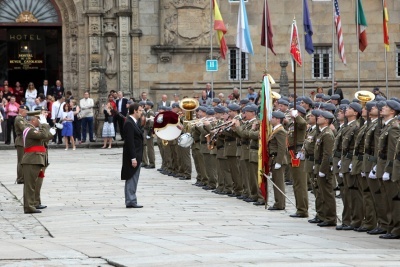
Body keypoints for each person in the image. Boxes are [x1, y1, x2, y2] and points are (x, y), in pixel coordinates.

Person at [21, 110, 55, 214]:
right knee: (30, 185)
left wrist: (51, 132)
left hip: (35, 159)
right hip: (31, 160)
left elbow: (43, 138)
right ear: (34, 120)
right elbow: (42, 135)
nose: (40, 122)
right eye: (39, 120)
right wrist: (45, 124)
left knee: (33, 184)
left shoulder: (33, 129)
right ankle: (29, 206)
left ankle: (32, 204)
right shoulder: (30, 130)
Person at [121, 103, 144, 208]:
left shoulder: (134, 122)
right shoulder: (129, 123)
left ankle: (131, 199)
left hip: (137, 154)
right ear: (134, 111)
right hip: (133, 156)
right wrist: (133, 158)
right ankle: (131, 200)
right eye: (139, 110)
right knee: (131, 177)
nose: (141, 112)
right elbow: (130, 142)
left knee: (133, 178)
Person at [14, 104, 30, 184]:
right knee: (21, 160)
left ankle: (23, 176)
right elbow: (24, 128)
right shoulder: (19, 118)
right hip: (20, 140)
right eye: (25, 111)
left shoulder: (23, 119)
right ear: (21, 110)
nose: (26, 113)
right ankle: (20, 178)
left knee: (24, 160)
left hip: (24, 140)